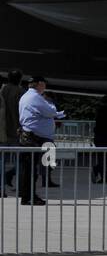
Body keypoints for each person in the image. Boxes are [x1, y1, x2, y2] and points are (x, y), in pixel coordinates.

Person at [17, 76, 65, 205]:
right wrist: (53, 110)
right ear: (39, 84)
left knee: (30, 168)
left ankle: (28, 195)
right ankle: (28, 196)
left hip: (32, 136)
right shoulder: (35, 97)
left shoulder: (28, 96)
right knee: (31, 169)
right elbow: (50, 111)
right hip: (33, 137)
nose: (45, 87)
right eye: (44, 84)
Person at [0, 69, 21, 193]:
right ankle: (19, 187)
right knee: (19, 160)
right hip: (15, 131)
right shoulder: (20, 91)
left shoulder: (2, 90)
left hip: (3, 132)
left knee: (2, 161)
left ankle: (1, 187)